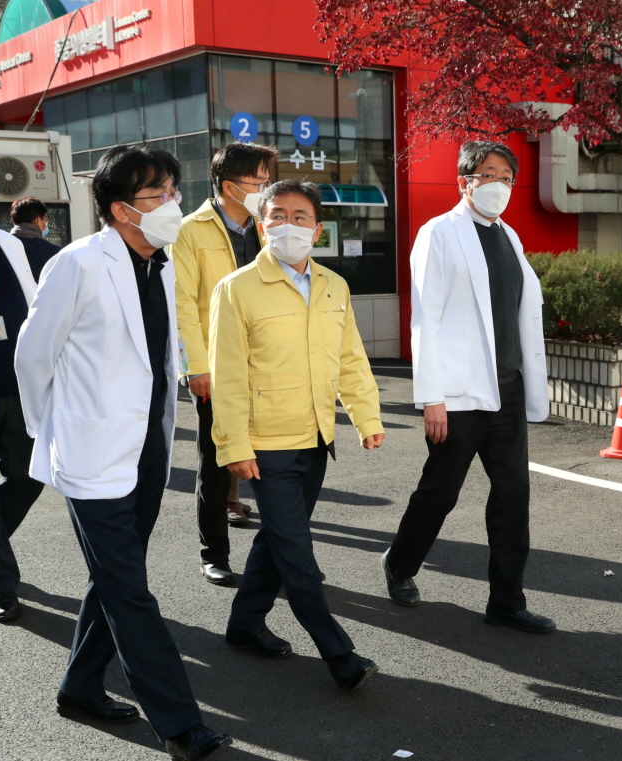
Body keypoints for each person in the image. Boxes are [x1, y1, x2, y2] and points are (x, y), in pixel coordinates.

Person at [15, 145, 231, 761]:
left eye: (174, 191)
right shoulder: (79, 264)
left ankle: (80, 687)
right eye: (158, 195)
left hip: (146, 451)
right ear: (120, 210)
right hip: (90, 454)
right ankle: (180, 723)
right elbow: (33, 357)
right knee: (131, 590)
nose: (174, 204)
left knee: (112, 579)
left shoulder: (160, 265)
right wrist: (51, 431)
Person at [209, 178, 385, 690]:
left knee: (278, 538)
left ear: (318, 228)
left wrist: (367, 417)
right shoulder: (236, 288)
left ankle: (244, 624)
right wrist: (234, 446)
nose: (289, 224)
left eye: (300, 216)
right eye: (278, 216)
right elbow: (229, 375)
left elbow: (350, 357)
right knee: (298, 555)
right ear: (262, 227)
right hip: (265, 444)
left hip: (315, 438)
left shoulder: (334, 285)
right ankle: (338, 653)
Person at [382, 141, 554, 633]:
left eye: (505, 176)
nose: (497, 183)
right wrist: (431, 397)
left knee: (512, 496)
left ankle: (507, 599)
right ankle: (400, 563)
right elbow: (425, 319)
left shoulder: (509, 237)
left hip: (507, 390)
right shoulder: (440, 233)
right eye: (487, 174)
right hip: (458, 394)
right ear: (464, 182)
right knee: (441, 491)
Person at [169, 142, 278, 586]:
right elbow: (183, 307)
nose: (265, 189)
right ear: (229, 186)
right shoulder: (189, 231)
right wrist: (195, 367)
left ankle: (280, 557)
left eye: (267, 180)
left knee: (277, 465)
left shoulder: (270, 226)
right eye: (259, 181)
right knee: (215, 467)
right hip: (217, 367)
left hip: (270, 364)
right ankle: (214, 553)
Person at [0, 155, 44, 624]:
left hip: (18, 388)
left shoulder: (6, 243)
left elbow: (36, 307)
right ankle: (1, 583)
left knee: (31, 473)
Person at [9, 196, 62, 280]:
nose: (46, 223)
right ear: (37, 220)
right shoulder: (54, 252)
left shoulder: (0, 246)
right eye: (46, 219)